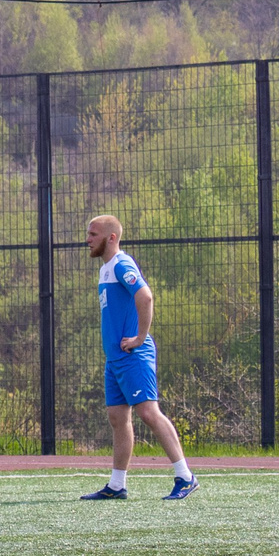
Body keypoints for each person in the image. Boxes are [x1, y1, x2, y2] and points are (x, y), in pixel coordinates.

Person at [81, 214, 198, 501]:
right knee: (117, 417)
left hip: (133, 355)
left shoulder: (121, 264)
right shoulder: (106, 269)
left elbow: (145, 297)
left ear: (111, 237)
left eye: (93, 234)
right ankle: (117, 485)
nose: (88, 239)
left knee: (148, 413)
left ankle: (185, 477)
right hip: (116, 359)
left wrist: (140, 339)